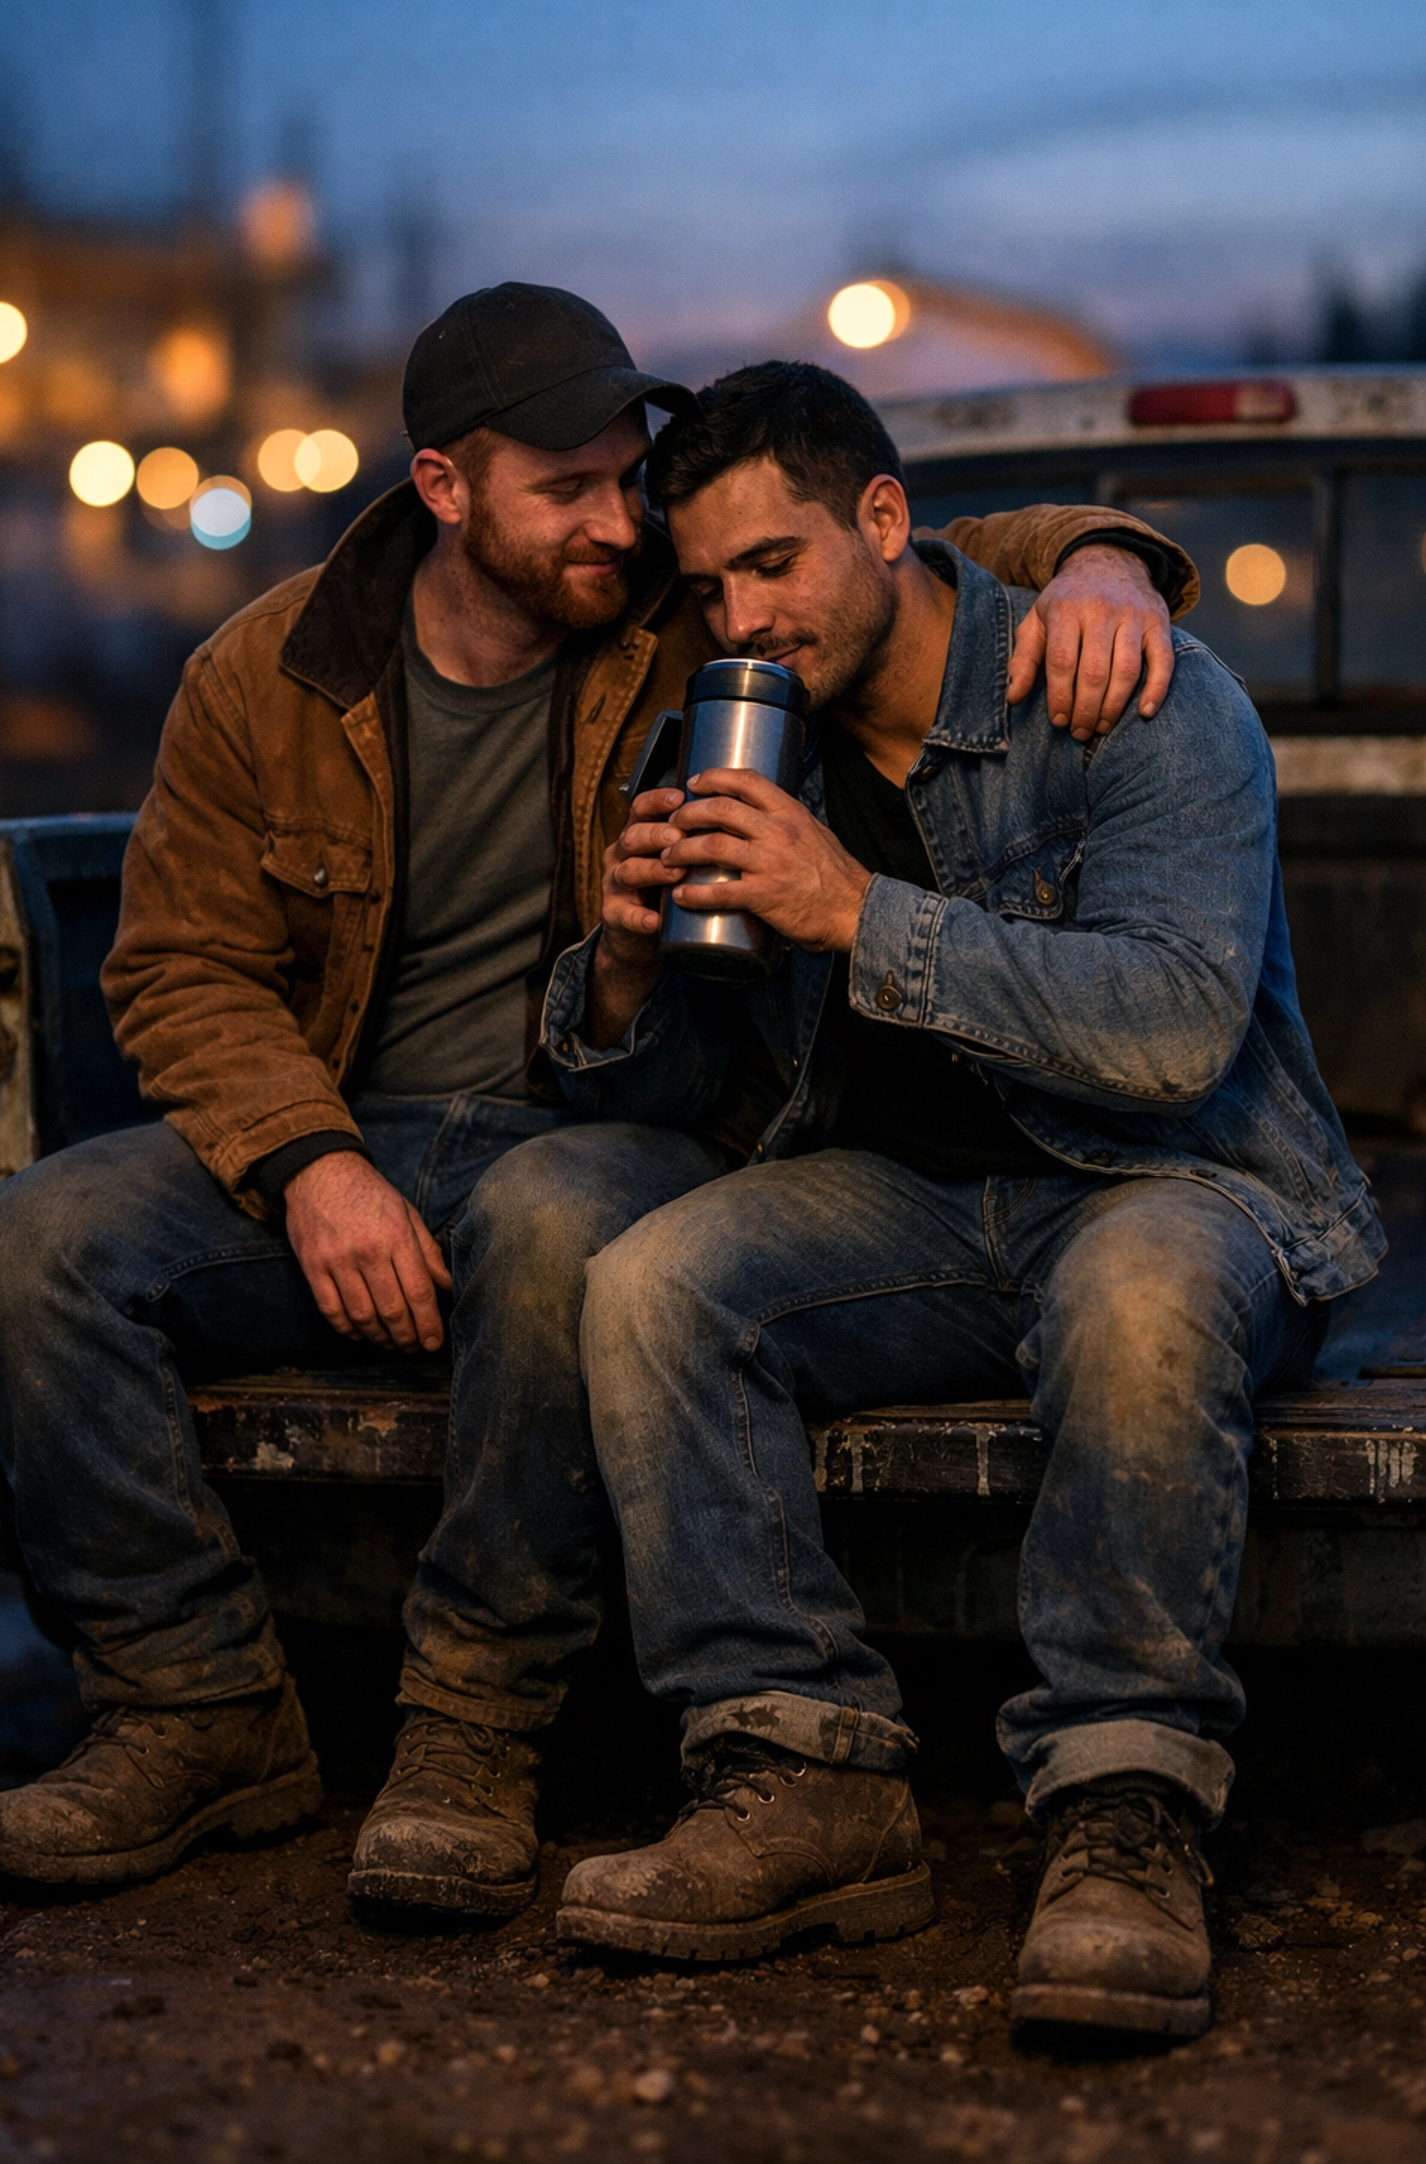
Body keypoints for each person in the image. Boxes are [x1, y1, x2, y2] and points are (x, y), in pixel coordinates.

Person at [0, 283, 1192, 1895]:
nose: (622, 521)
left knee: (553, 1223)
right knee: (30, 1249)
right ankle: (191, 1709)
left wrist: (1109, 559)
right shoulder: (264, 677)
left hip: (608, 1126)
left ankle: (474, 1719)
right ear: (445, 490)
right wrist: (312, 1164)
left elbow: (904, 553)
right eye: (572, 489)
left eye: (630, 476)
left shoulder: (680, 617)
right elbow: (179, 972)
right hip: (342, 1131)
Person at [414, 360, 1381, 2034]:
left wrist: (854, 909)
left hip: (1178, 1185)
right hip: (903, 1206)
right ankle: (799, 1774)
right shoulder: (724, 734)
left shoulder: (1135, 692)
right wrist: (633, 976)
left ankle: (1120, 1809)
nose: (740, 617)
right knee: (653, 1281)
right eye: (707, 585)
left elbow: (1170, 1035)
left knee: (1138, 1294)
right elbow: (670, 1088)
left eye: (773, 565)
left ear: (883, 519)